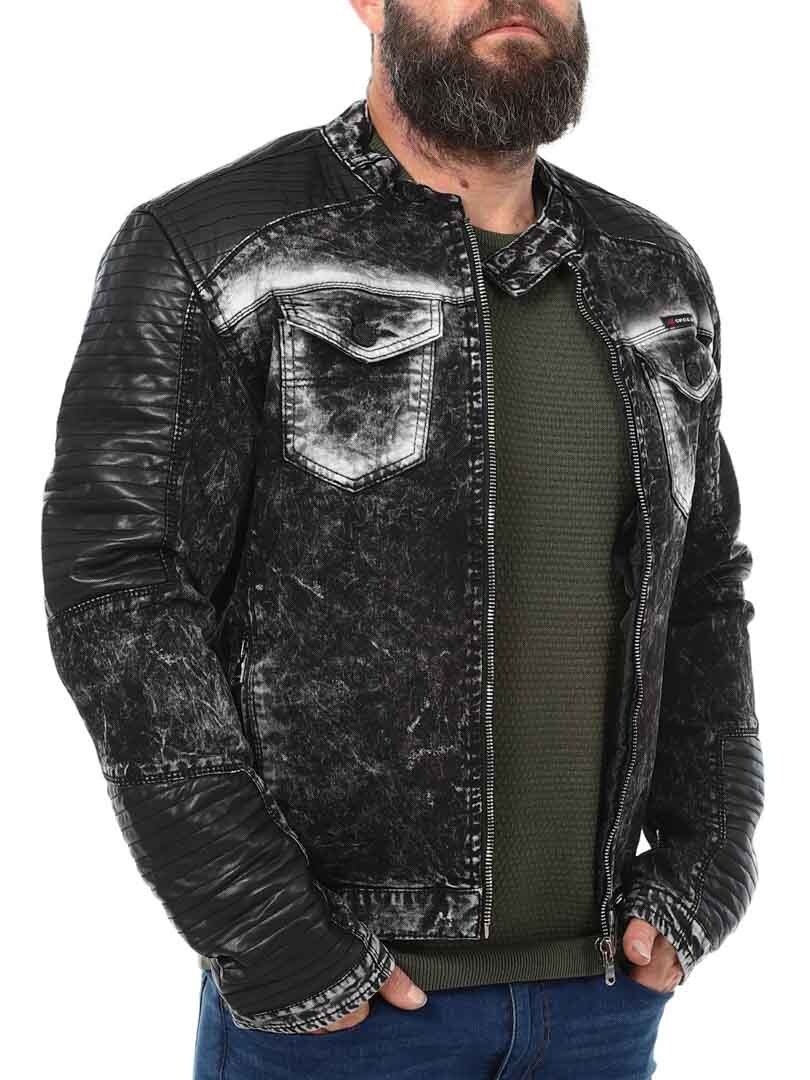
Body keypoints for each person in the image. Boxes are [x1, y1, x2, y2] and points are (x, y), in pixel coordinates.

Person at [41, 2, 764, 1077]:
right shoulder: (215, 251)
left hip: (604, 1004)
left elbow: (702, 584)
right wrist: (268, 931)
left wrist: (708, 863)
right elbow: (119, 594)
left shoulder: (652, 272)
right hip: (345, 1011)